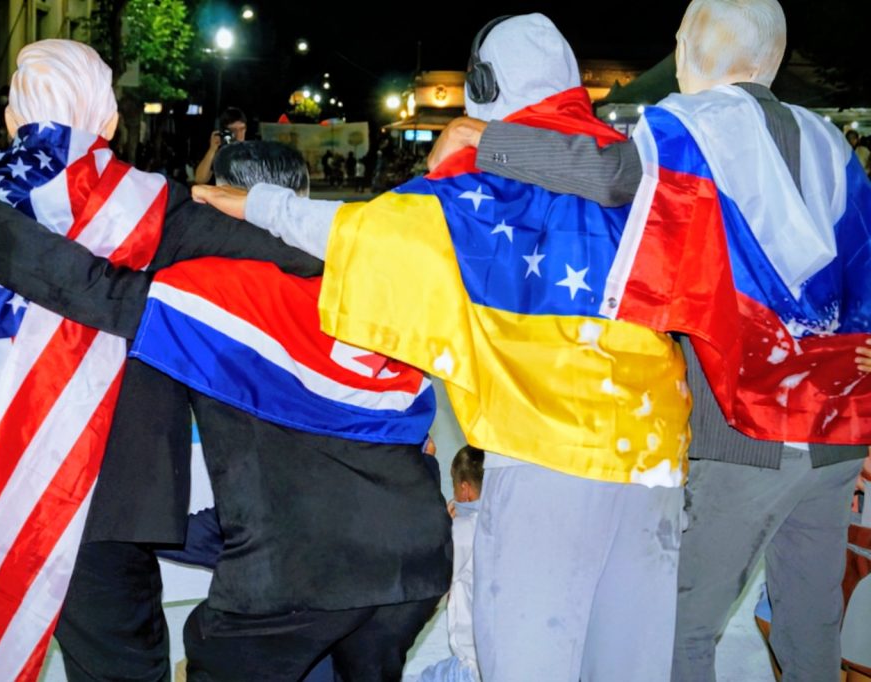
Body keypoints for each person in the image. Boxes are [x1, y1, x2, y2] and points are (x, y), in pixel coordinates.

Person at [195, 14, 693, 681]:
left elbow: (359, 232)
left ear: (484, 85)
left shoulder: (483, 187)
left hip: (549, 455)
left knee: (526, 662)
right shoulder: (630, 169)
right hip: (658, 453)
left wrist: (253, 203)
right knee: (627, 666)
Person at [0, 41, 320, 681]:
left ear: (11, 119)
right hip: (104, 496)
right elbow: (302, 259)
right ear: (110, 122)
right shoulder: (159, 210)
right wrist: (250, 205)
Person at [426, 2, 871, 681]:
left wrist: (484, 141)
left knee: (680, 633)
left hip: (748, 430)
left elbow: (611, 175)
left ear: (694, 45)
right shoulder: (830, 141)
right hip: (838, 429)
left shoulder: (697, 124)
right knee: (810, 629)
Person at [0, 139, 452, 680]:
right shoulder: (367, 286)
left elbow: (91, 287)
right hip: (416, 560)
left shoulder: (222, 294)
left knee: (218, 651)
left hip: (295, 578)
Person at [420, 445, 484, 682]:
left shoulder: (460, 532)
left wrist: (443, 530)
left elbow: (427, 591)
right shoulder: (510, 524)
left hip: (473, 666)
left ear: (464, 490)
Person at [194, 106, 247, 185]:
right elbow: (200, 179)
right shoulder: (220, 153)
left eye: (242, 129)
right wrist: (212, 149)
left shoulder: (250, 151)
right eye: (234, 130)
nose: (239, 135)